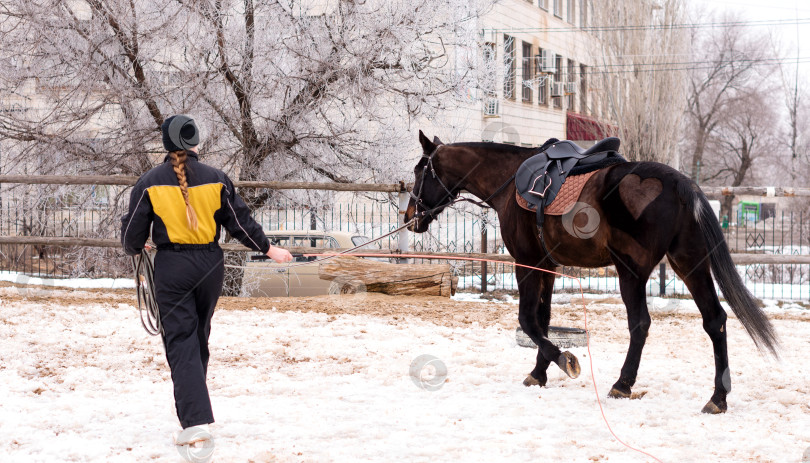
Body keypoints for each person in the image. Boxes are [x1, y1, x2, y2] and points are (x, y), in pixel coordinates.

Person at [120, 114, 292, 448]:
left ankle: (195, 422)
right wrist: (269, 249)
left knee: (181, 340)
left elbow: (130, 236)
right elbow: (240, 223)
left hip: (173, 268)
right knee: (198, 338)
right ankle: (195, 409)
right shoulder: (218, 178)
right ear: (195, 143)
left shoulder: (150, 182)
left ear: (167, 143)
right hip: (211, 267)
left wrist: (137, 244)